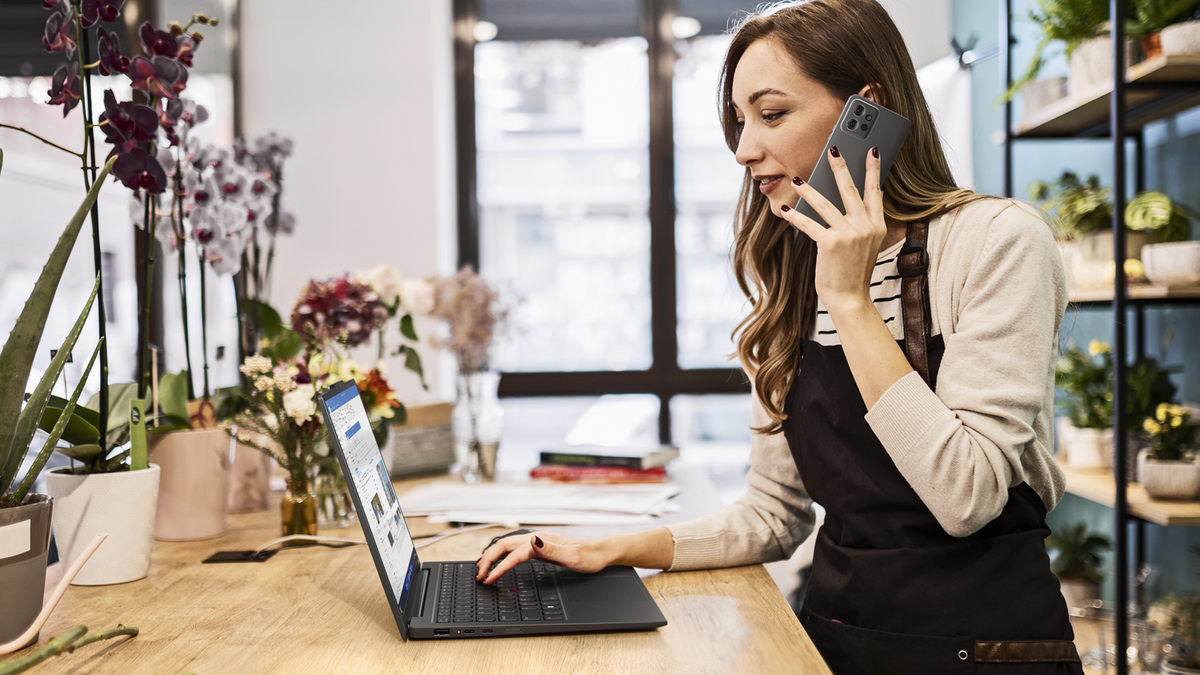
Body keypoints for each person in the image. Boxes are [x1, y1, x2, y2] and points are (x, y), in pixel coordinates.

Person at [476, 1, 1080, 672]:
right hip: (834, 641)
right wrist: (613, 547)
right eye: (739, 122)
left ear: (865, 111)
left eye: (771, 114)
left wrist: (849, 299)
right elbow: (775, 514)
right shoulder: (796, 269)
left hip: (988, 652)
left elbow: (966, 495)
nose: (743, 149)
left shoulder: (996, 243)